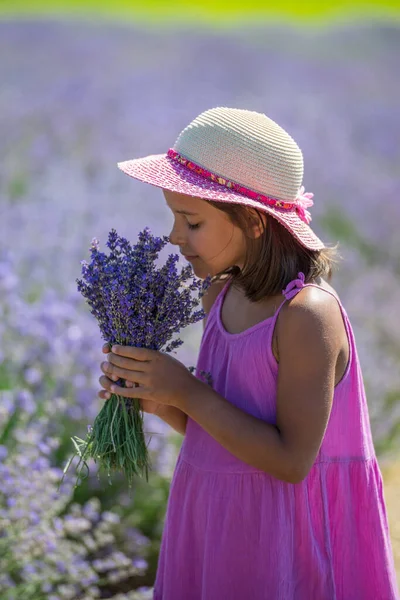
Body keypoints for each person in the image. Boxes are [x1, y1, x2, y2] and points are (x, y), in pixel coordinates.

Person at [99, 107, 399, 599]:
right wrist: (156, 398)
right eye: (174, 217)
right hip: (215, 516)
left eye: (191, 221)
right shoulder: (219, 296)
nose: (174, 236)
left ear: (255, 222)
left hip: (284, 534)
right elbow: (226, 426)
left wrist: (187, 392)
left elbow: (291, 460)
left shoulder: (306, 315)